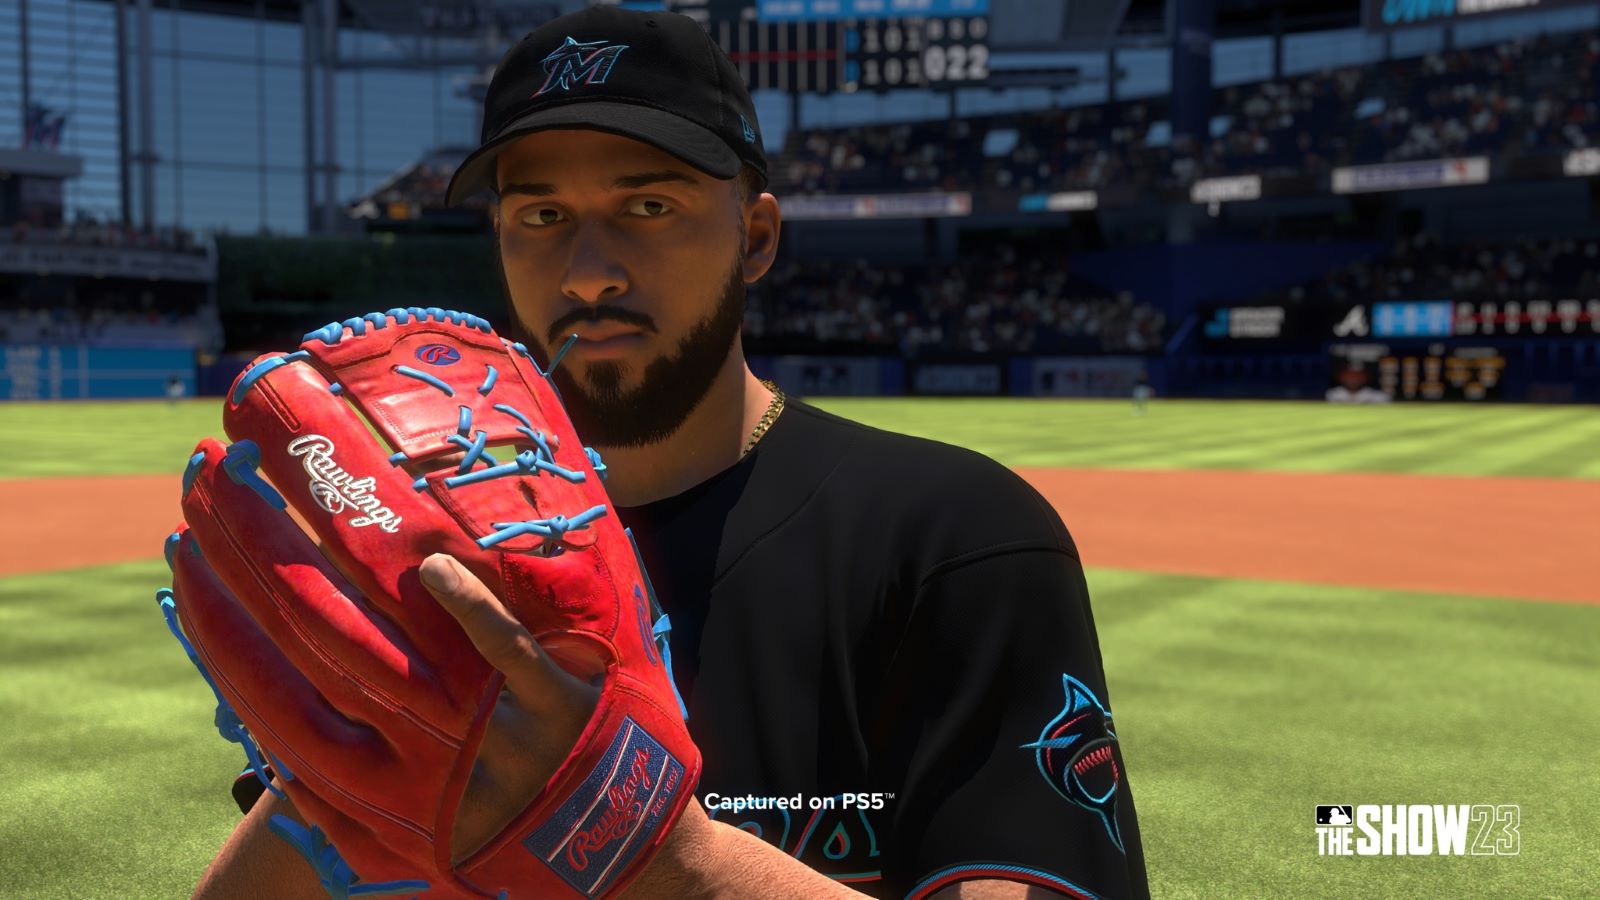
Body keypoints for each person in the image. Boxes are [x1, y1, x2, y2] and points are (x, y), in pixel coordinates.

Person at [192, 7, 1146, 898]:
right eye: (541, 216)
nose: (588, 274)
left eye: (648, 206)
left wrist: (640, 842)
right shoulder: (428, 567)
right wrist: (316, 798)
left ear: (756, 237)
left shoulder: (955, 539)